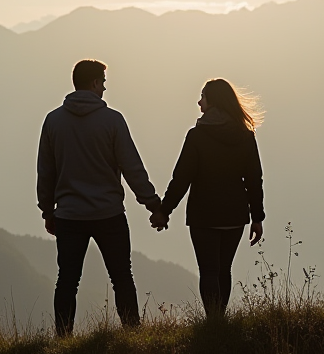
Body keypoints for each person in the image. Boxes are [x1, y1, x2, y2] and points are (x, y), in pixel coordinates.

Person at [37, 59, 163, 337]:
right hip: (109, 214)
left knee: (67, 281)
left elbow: (46, 171)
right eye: (103, 82)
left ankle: (63, 339)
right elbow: (132, 167)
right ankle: (133, 335)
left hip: (69, 216)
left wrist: (48, 211)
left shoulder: (53, 121)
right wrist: (154, 204)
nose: (105, 88)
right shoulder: (113, 120)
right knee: (121, 278)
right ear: (94, 83)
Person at [151, 79, 264, 318]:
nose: (199, 102)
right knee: (224, 270)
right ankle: (219, 321)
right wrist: (257, 217)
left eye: (203, 97)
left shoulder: (197, 136)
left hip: (203, 215)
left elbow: (181, 178)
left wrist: (164, 210)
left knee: (209, 271)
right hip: (235, 214)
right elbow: (254, 179)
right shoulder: (245, 136)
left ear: (213, 101)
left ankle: (214, 322)